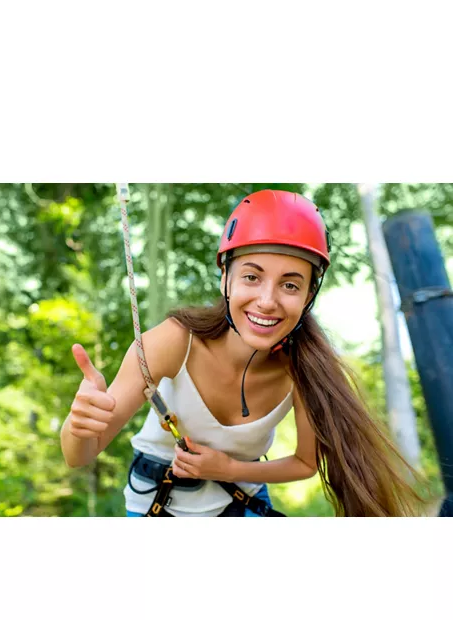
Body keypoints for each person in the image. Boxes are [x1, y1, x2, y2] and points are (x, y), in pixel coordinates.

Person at [60, 189, 426, 517]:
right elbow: (80, 456)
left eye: (290, 285)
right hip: (156, 504)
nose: (267, 302)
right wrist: (77, 426)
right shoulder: (173, 342)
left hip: (243, 504)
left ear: (308, 297)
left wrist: (230, 470)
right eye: (252, 277)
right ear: (226, 278)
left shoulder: (305, 368)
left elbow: (304, 462)